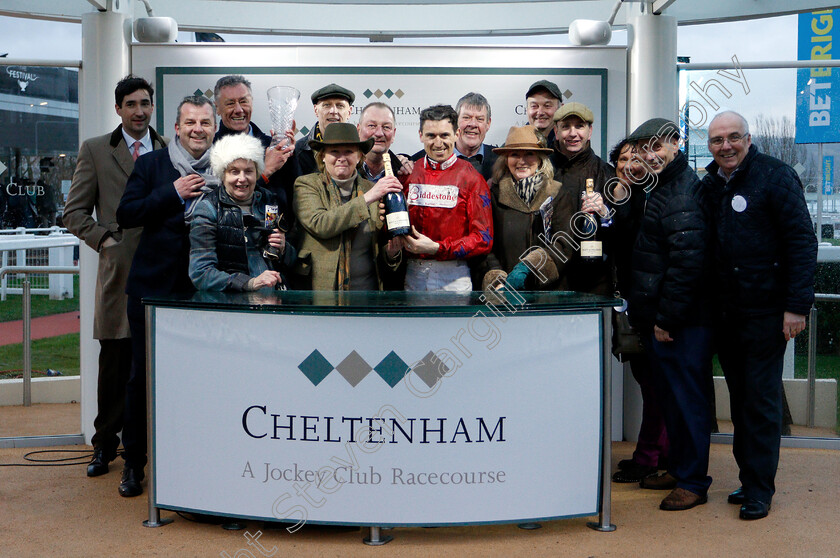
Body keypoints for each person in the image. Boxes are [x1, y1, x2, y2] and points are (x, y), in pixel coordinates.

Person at [702, 110, 817, 520]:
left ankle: (759, 490)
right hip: (727, 315)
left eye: (734, 137)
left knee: (761, 403)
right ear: (710, 146)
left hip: (767, 314)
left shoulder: (775, 175)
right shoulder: (711, 184)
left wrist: (796, 307)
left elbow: (802, 243)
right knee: (740, 400)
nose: (726, 146)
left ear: (748, 140)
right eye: (717, 140)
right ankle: (749, 478)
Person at [63, 75, 168, 478]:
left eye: (145, 103)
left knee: (154, 368)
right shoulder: (94, 150)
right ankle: (104, 447)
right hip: (119, 273)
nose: (140, 111)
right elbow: (73, 213)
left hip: (161, 273)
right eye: (131, 104)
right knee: (114, 368)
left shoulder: (167, 148)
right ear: (118, 108)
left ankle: (146, 450)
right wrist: (105, 240)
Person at [115, 95, 218, 497]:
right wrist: (172, 193)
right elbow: (126, 215)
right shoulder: (152, 165)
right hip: (151, 292)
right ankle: (133, 464)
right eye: (190, 122)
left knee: (203, 380)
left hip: (205, 294)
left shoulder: (227, 166)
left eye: (205, 123)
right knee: (142, 378)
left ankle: (199, 461)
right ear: (176, 127)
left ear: (215, 127)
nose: (197, 129)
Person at [626, 118, 714, 512]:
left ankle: (694, 481)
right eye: (644, 148)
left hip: (681, 323)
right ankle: (680, 468)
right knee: (673, 402)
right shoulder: (663, 186)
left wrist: (667, 319)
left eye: (657, 146)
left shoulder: (681, 191)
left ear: (677, 144)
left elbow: (688, 264)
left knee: (687, 402)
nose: (650, 154)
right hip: (665, 319)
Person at [608, 139, 669, 483]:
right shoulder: (617, 197)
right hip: (630, 304)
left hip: (653, 306)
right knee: (647, 382)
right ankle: (648, 452)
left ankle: (655, 456)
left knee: (657, 384)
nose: (629, 164)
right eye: (622, 158)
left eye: (637, 158)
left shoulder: (649, 200)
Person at [293, 122, 403, 290]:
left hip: (367, 294)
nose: (341, 158)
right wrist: (368, 198)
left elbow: (379, 245)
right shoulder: (306, 184)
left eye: (349, 152)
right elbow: (321, 224)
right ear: (322, 156)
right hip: (321, 295)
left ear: (359, 156)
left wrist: (391, 254)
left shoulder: (372, 189)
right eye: (334, 152)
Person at [400, 104, 493, 292]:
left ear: (456, 134)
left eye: (444, 135)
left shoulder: (472, 178)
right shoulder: (408, 174)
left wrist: (438, 248)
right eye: (431, 136)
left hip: (454, 276)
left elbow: (483, 239)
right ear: (420, 135)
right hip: (413, 272)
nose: (438, 143)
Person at [189, 133, 295, 291]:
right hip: (233, 305)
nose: (242, 178)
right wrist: (250, 283)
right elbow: (201, 274)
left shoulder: (268, 201)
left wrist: (283, 248)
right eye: (234, 171)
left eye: (249, 171)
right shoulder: (208, 209)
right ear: (222, 174)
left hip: (273, 300)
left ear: (257, 172)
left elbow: (282, 259)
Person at [477, 125, 573, 291]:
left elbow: (564, 243)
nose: (522, 161)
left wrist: (529, 267)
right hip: (505, 293)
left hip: (548, 295)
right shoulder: (493, 194)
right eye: (515, 154)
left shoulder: (558, 193)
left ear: (541, 158)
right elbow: (485, 245)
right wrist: (496, 277)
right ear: (506, 159)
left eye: (529, 153)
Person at [549, 102, 615, 295]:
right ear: (556, 130)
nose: (572, 133)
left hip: (594, 280)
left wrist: (605, 213)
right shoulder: (542, 170)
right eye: (565, 127)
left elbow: (622, 233)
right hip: (550, 277)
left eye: (579, 126)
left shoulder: (606, 173)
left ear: (590, 131)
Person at [213, 75, 297, 207]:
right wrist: (266, 170)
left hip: (274, 227)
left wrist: (291, 157)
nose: (239, 110)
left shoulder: (274, 147)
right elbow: (218, 201)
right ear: (217, 108)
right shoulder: (210, 149)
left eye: (243, 101)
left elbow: (294, 194)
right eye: (230, 103)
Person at [294, 83, 354, 177]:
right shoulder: (298, 151)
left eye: (340, 106)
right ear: (315, 110)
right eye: (326, 105)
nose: (333, 111)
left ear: (349, 112)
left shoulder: (359, 149)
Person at [356, 102, 408, 181]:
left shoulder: (405, 172)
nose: (379, 133)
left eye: (386, 127)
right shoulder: (344, 168)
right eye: (371, 126)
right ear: (358, 130)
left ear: (393, 134)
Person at [453, 92, 497, 181]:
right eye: (466, 117)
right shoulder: (431, 159)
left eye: (479, 119)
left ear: (488, 124)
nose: (473, 124)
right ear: (455, 121)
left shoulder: (500, 161)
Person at [525, 79, 562, 145]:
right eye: (534, 106)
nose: (540, 112)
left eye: (547, 106)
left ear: (560, 109)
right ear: (527, 109)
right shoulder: (512, 146)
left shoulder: (568, 146)